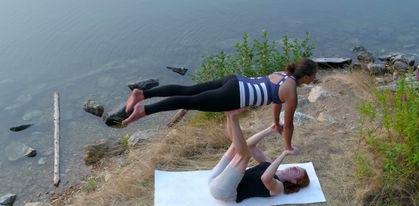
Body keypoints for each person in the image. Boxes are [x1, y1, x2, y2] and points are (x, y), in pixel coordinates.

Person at [117, 58, 317, 152]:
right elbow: (289, 124)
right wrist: (288, 146)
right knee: (189, 102)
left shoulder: (282, 75)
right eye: (313, 76)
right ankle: (144, 110)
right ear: (306, 76)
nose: (313, 79)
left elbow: (275, 101)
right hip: (234, 95)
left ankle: (142, 93)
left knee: (188, 91)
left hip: (235, 81)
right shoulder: (292, 92)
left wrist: (275, 123)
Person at [208, 109, 309, 203]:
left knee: (244, 155)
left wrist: (284, 153)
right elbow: (249, 145)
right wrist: (270, 130)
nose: (294, 167)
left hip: (224, 192)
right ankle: (229, 114)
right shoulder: (269, 164)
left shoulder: (279, 187)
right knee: (237, 145)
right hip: (216, 179)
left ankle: (233, 116)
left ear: (294, 181)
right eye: (297, 167)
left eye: (297, 171)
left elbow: (265, 178)